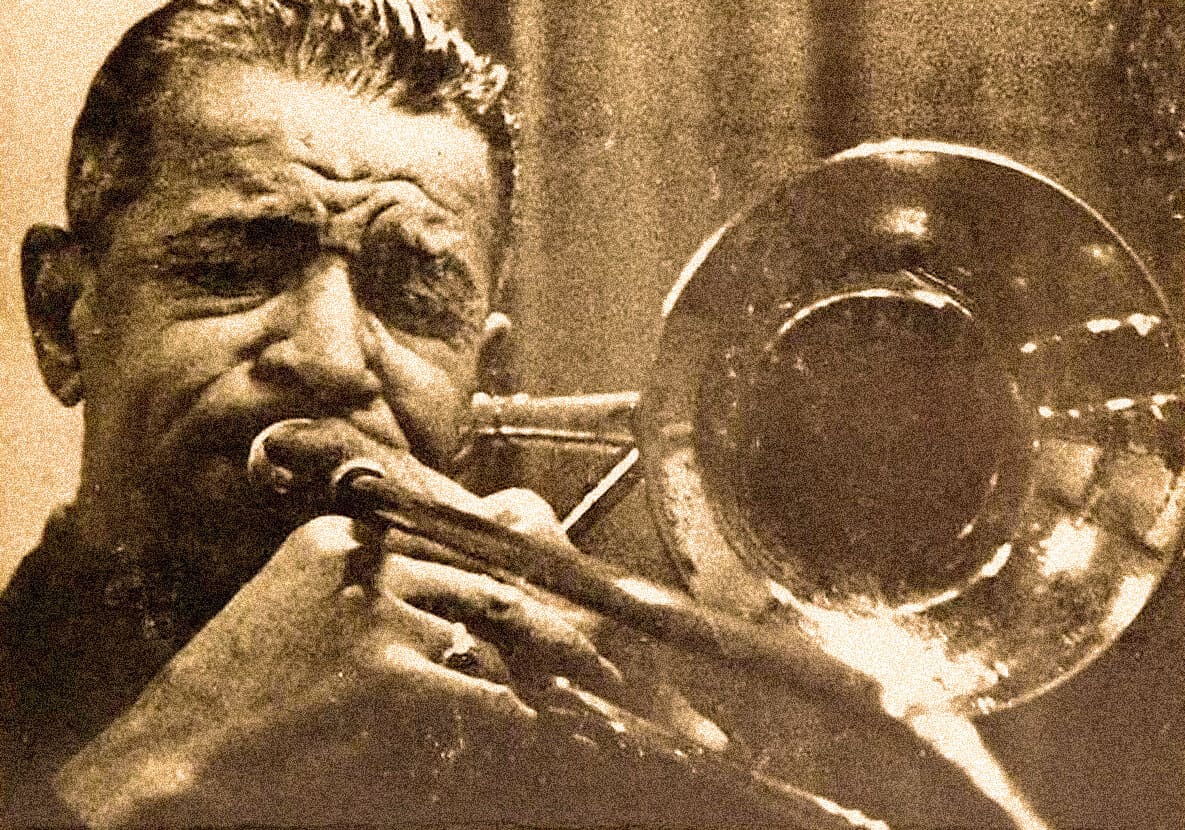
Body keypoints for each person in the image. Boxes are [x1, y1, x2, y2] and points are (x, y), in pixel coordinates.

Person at [1, 1, 767, 825]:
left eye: (412, 299)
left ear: (482, 376)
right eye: (230, 268)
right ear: (62, 318)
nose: (330, 358)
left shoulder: (536, 738)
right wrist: (167, 762)